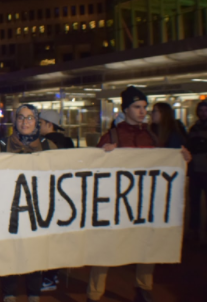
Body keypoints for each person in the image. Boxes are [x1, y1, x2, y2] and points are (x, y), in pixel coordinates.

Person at [89, 87, 190, 302]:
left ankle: (144, 287)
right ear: (126, 109)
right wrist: (103, 153)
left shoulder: (152, 136)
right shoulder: (113, 135)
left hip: (144, 203)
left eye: (144, 107)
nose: (142, 111)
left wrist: (179, 158)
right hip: (117, 203)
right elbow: (95, 166)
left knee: (147, 244)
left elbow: (162, 165)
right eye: (137, 107)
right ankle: (94, 293)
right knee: (105, 246)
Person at [0, 104, 56, 302]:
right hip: (8, 212)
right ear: (14, 121)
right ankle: (9, 294)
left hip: (37, 212)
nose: (25, 122)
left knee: (34, 253)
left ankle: (33, 294)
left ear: (37, 121)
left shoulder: (48, 147)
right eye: (20, 117)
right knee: (10, 252)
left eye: (30, 118)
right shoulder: (0, 146)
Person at [187, 101, 207, 243]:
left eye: (205, 110)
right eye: (201, 110)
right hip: (195, 170)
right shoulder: (194, 128)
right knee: (194, 203)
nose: (203, 113)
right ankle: (194, 230)